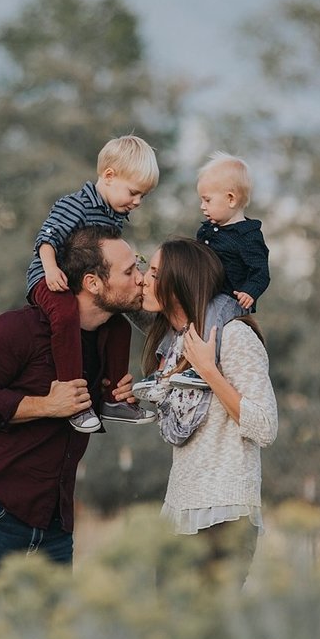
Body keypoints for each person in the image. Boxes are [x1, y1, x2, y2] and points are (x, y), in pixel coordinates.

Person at [0, 226, 144, 629]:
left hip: (55, 526)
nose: (141, 278)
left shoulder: (108, 342)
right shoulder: (17, 329)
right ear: (93, 283)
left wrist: (119, 395)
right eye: (130, 270)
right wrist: (45, 405)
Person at [135, 237, 278, 587]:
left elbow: (264, 426)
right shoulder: (175, 344)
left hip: (224, 516)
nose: (143, 279)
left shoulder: (232, 336)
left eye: (154, 272)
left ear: (180, 282)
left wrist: (210, 372)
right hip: (178, 512)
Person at [26, 135, 160, 431]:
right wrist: (50, 270)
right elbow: (47, 238)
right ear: (110, 176)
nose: (137, 201)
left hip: (84, 285)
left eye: (143, 196)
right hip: (51, 279)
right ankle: (75, 400)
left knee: (119, 326)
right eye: (134, 192)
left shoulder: (114, 216)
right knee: (65, 317)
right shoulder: (75, 204)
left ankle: (113, 399)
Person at [168, 152, 271, 390]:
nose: (202, 207)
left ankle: (204, 368)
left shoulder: (247, 236)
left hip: (229, 296)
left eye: (207, 200)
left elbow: (260, 270)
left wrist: (250, 291)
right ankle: (167, 362)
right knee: (176, 314)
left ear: (231, 199)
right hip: (205, 292)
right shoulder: (208, 230)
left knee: (212, 320)